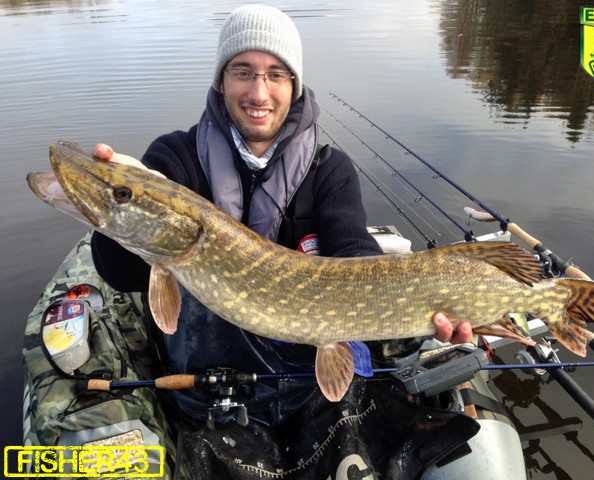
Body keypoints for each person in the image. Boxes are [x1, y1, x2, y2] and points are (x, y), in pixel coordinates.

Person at [91, 3, 471, 433]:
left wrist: (437, 314)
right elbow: (118, 272)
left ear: (294, 85)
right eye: (243, 71)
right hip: (202, 386)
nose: (259, 93)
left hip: (303, 381)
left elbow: (355, 254)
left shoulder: (330, 170)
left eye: (276, 74)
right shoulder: (175, 158)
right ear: (221, 80)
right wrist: (120, 204)